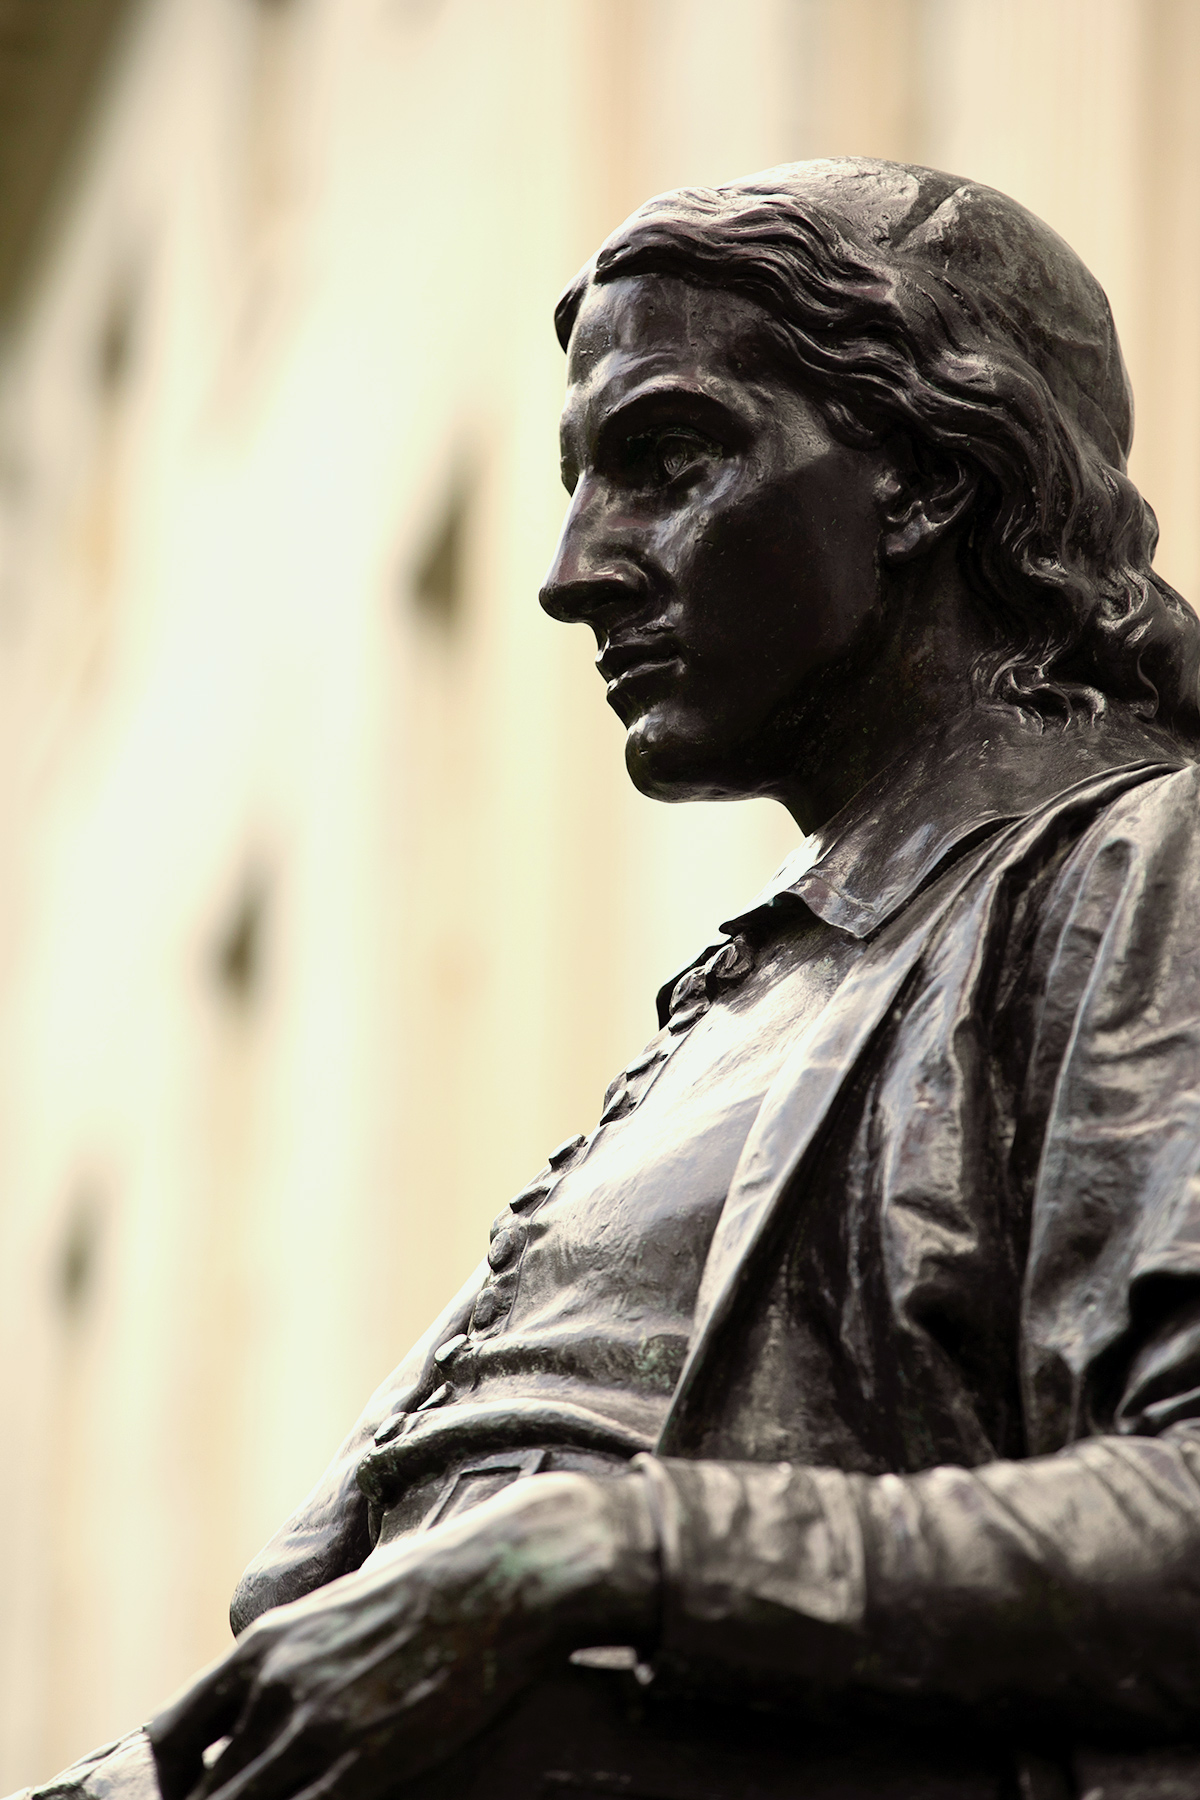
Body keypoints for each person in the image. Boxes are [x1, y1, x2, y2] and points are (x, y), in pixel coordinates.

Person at [34, 158, 1200, 1800]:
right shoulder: (752, 999)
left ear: (929, 477)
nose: (577, 567)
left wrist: (600, 1549)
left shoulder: (1141, 872)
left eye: (666, 458)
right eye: (582, 479)